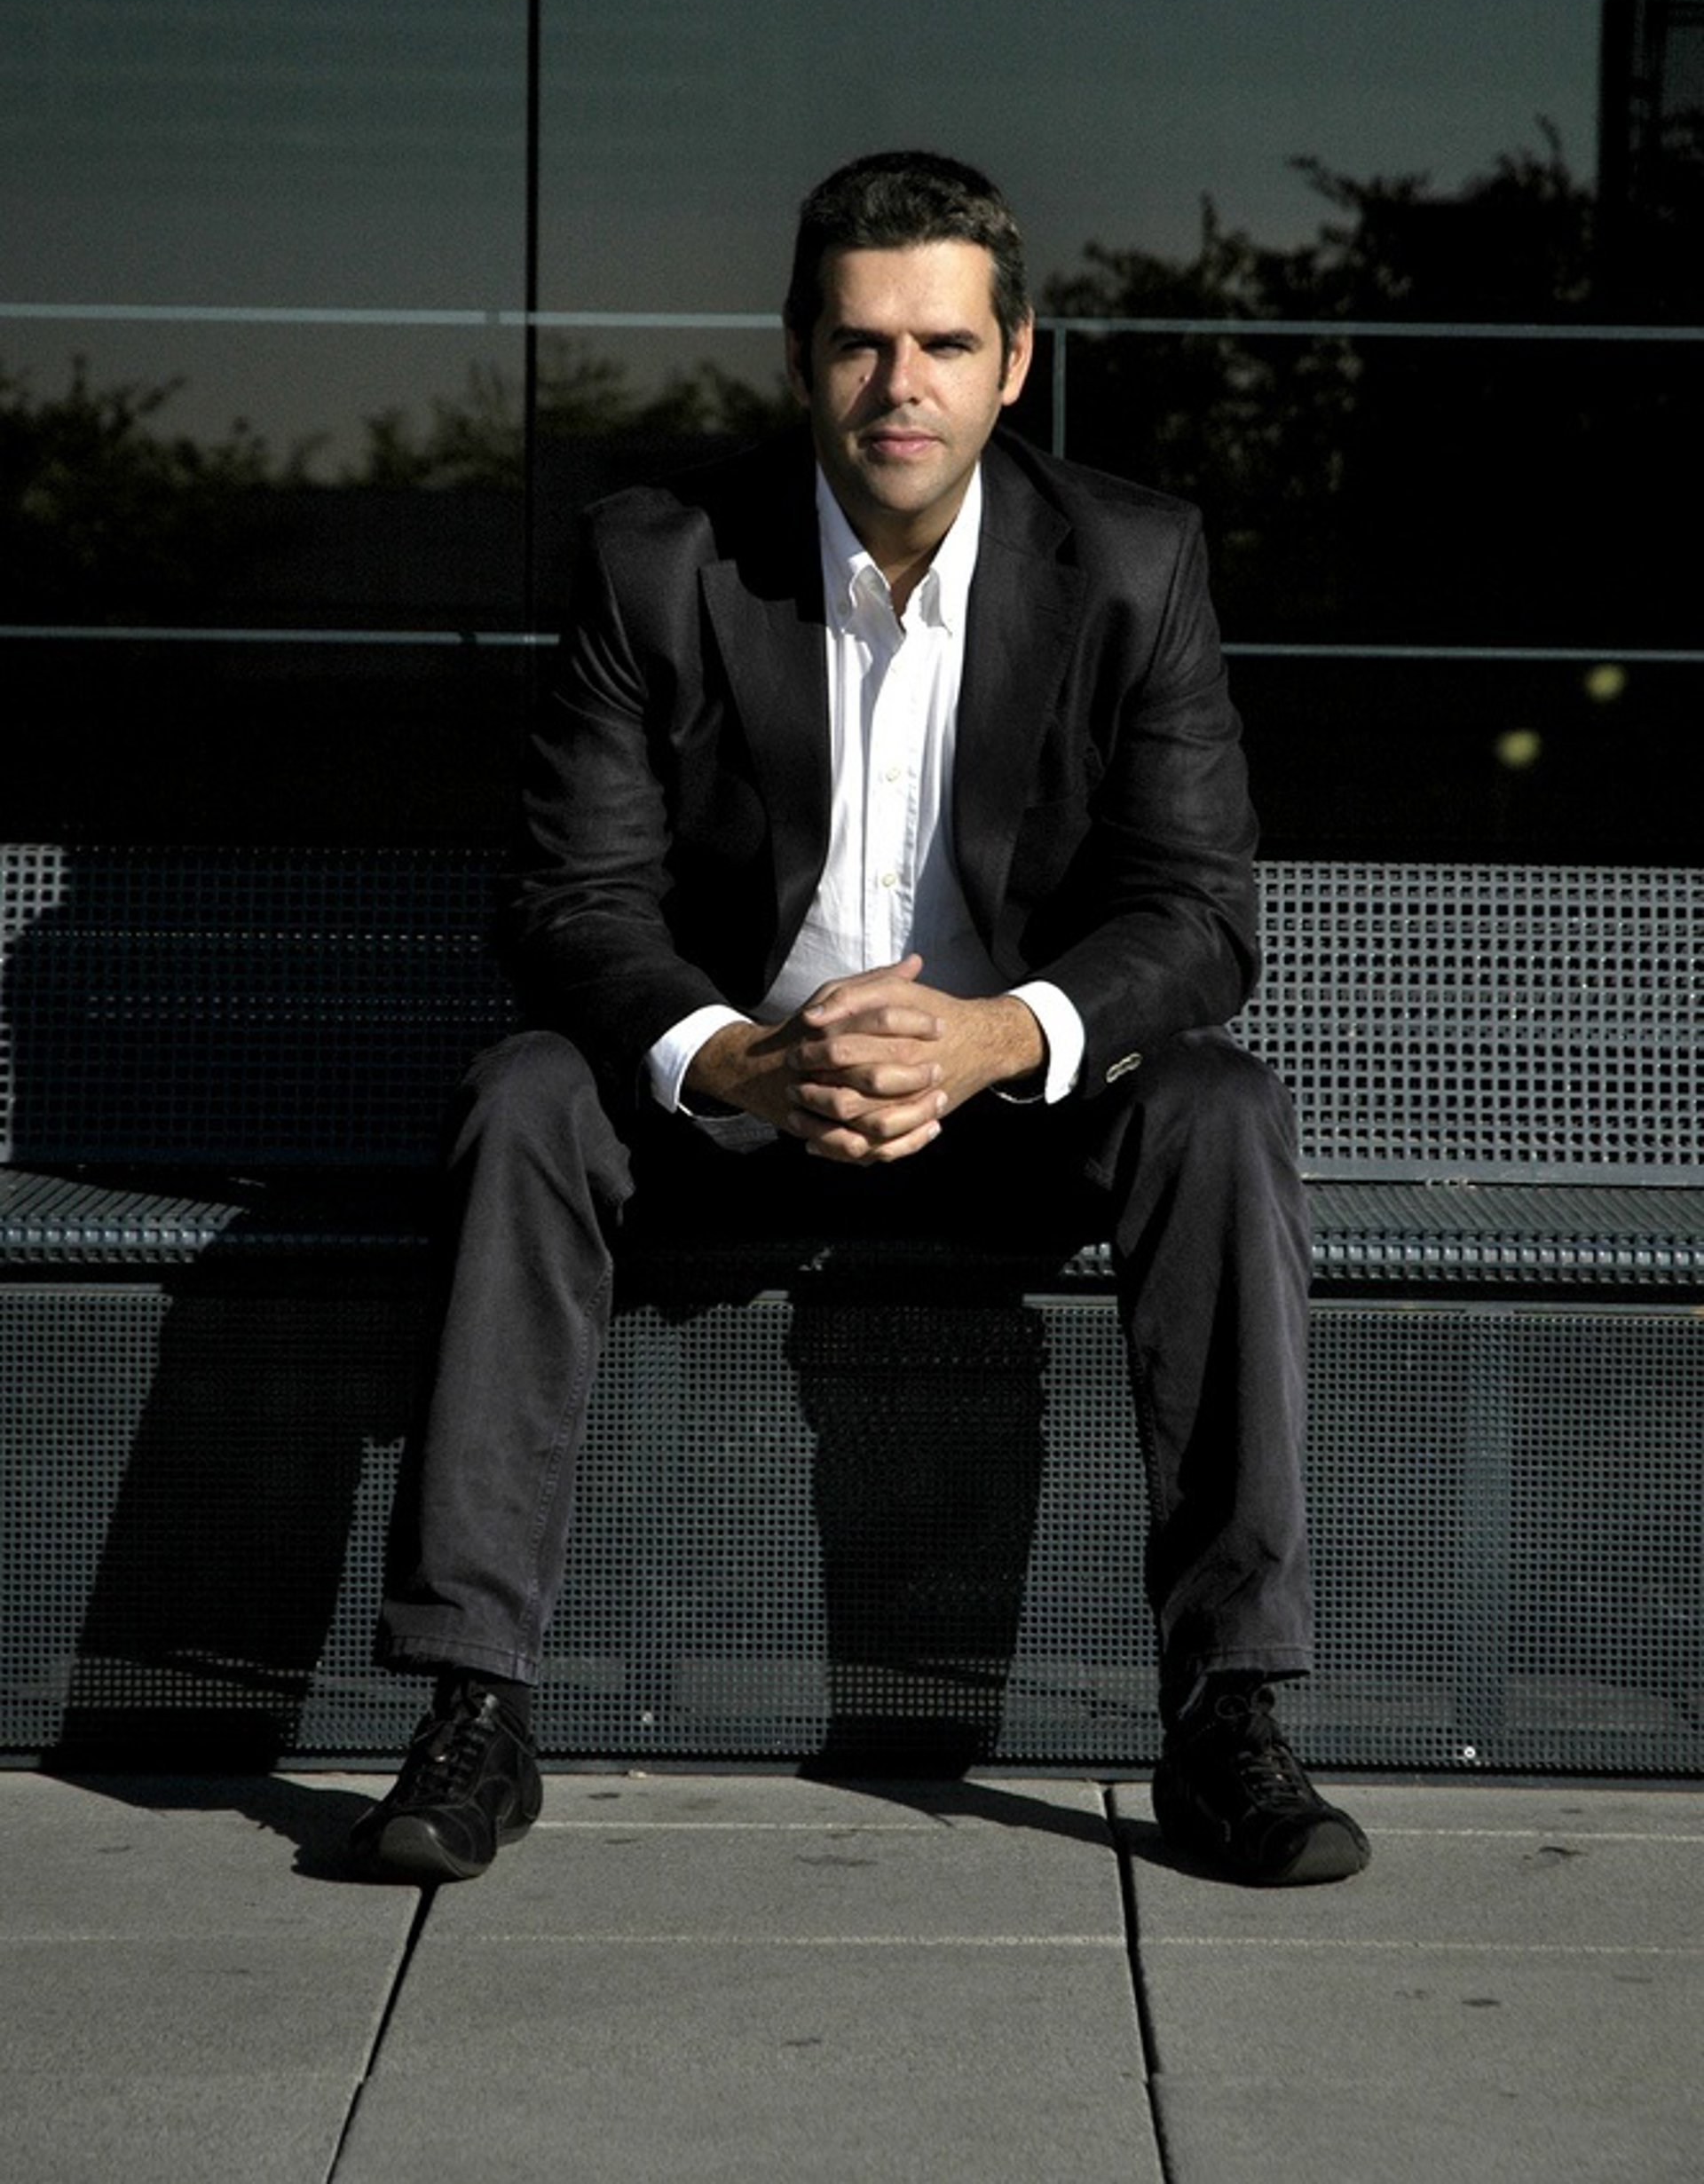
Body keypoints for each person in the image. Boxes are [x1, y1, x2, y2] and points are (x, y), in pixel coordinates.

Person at [350, 150, 1369, 1890]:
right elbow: (571, 905)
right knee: (525, 1096)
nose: (903, 385)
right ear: (798, 354)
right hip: (735, 1110)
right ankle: (474, 1705)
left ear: (1015, 359)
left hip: (1016, 1116)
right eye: (860, 343)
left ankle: (1228, 1716)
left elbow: (1198, 916)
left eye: (946, 344)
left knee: (1220, 1107)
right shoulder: (660, 563)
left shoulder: (1133, 564)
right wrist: (747, 1060)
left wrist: (991, 1039)